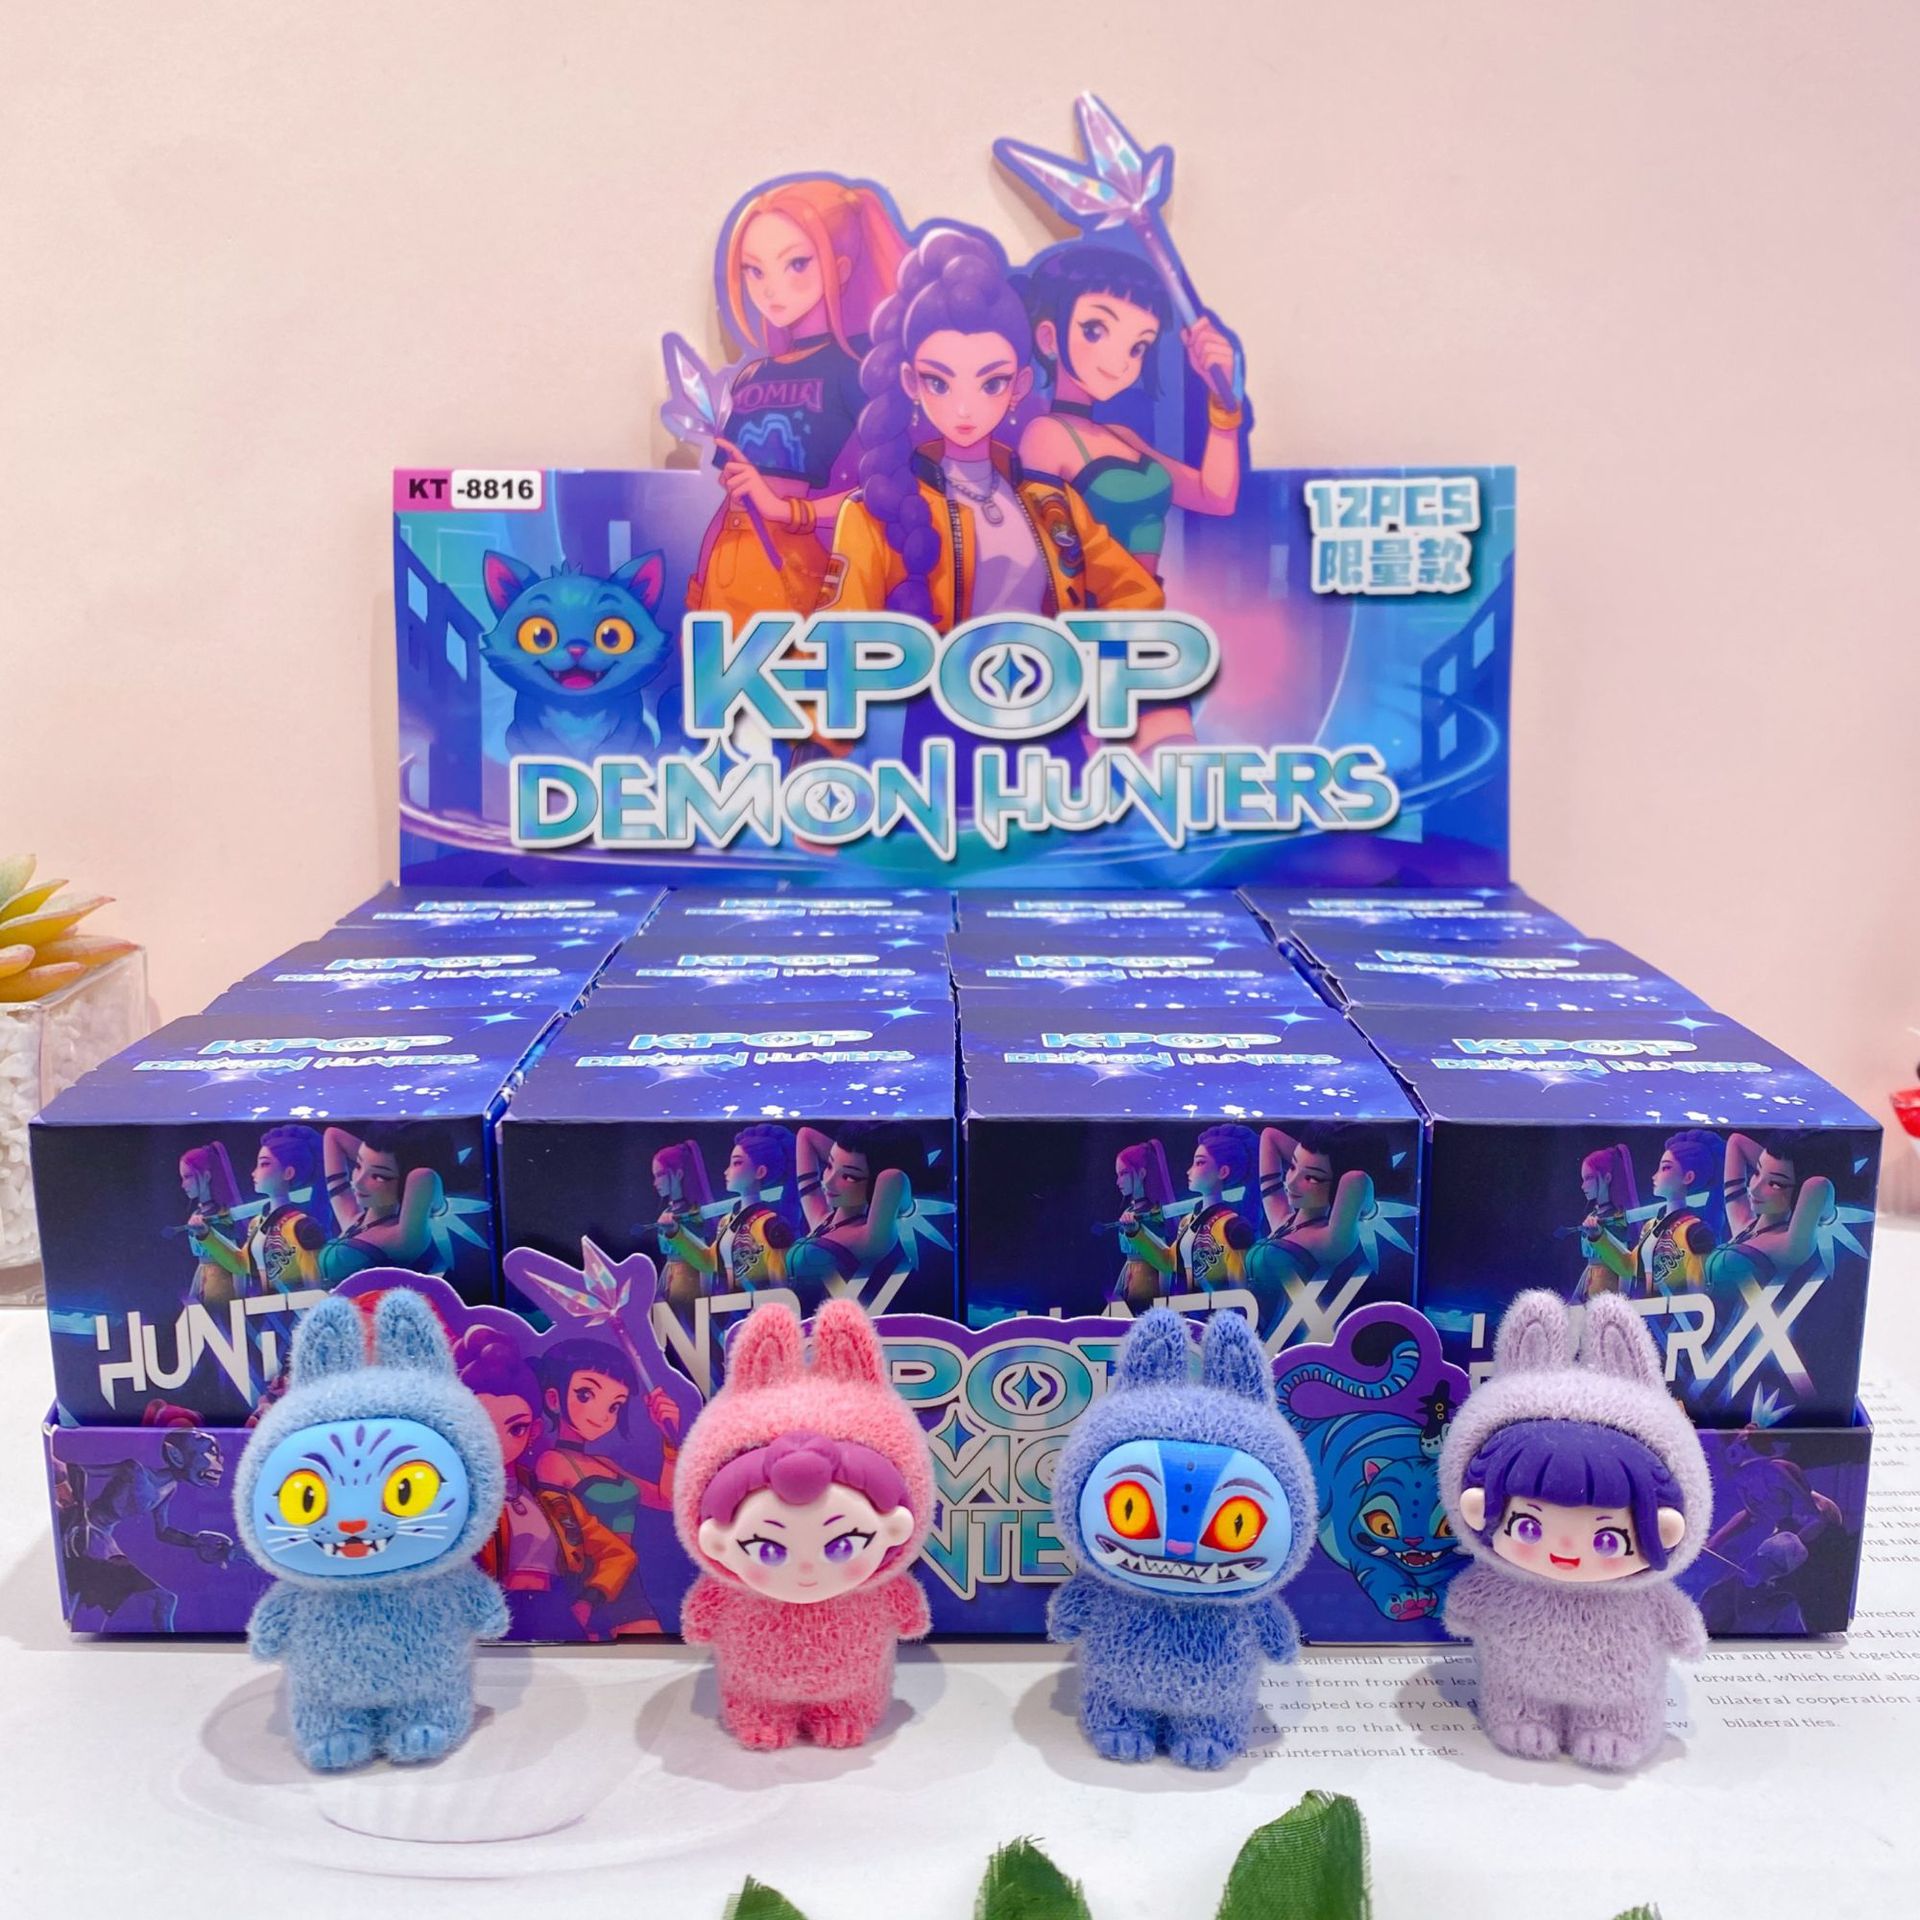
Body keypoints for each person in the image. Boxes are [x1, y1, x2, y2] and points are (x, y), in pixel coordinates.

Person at [689, 178, 910, 628]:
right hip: (728, 558)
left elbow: (888, 489)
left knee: (794, 670)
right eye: (754, 270)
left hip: (794, 559)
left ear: (841, 268)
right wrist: (698, 579)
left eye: (796, 263)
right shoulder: (751, 375)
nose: (772, 289)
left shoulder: (858, 368)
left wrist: (788, 511)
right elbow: (731, 496)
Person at [455, 1327, 636, 1642]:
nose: (495, 1441)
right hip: (490, 1614)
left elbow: (618, 1554)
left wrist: (589, 1599)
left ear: (534, 1431)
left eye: (516, 1428)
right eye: (477, 1427)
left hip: (554, 1610)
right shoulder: (457, 1504)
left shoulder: (547, 1498)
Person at [531, 1338, 681, 1639]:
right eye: (585, 1394)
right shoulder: (553, 1462)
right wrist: (584, 1600)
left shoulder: (604, 1463)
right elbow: (564, 1540)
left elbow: (667, 1499)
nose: (603, 1415)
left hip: (625, 1578)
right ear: (553, 1399)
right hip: (591, 1581)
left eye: (615, 1405)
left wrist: (668, 1437)